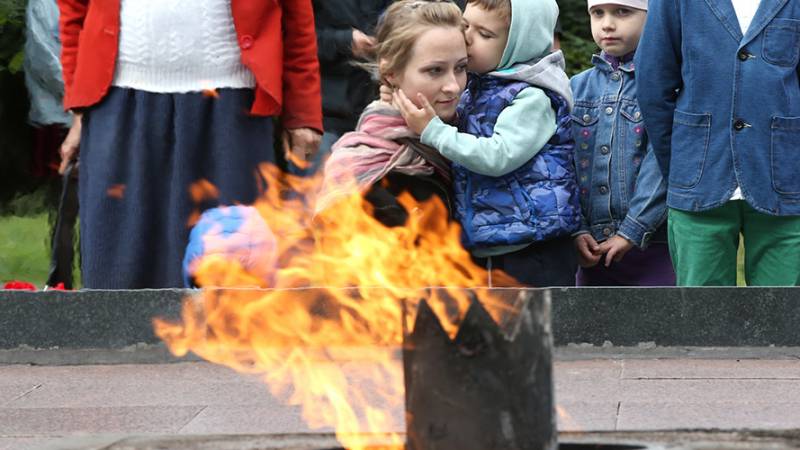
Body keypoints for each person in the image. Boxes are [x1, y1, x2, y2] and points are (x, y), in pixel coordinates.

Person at [57, 0, 323, 288]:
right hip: (119, 106)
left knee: (234, 264)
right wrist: (80, 108)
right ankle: (117, 335)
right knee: (117, 269)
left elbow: (297, 16)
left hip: (231, 113)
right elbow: (73, 11)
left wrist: (302, 112)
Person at [395, 0, 582, 287]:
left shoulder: (532, 97)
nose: (468, 38)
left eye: (485, 34)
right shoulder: (479, 85)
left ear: (519, 45)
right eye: (466, 26)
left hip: (533, 246)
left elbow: (498, 156)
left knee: (542, 330)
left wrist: (433, 131)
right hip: (490, 240)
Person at [636, 0, 800, 286]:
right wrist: (679, 166)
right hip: (699, 174)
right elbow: (654, 81)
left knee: (785, 317)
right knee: (704, 318)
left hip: (786, 178)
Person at [316, 0, 466, 227]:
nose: (453, 86)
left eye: (461, 67)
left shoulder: (484, 136)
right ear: (391, 72)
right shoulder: (362, 170)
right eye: (435, 70)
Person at [569, 0, 674, 286]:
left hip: (653, 245)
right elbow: (562, 165)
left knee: (657, 328)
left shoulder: (666, 84)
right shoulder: (574, 88)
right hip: (591, 249)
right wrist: (577, 230)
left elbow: (663, 164)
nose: (607, 24)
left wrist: (632, 229)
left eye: (622, 12)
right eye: (597, 13)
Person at [306, 0, 393, 175]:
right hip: (325, 114)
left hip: (381, 113)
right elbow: (292, 39)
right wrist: (344, 41)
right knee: (318, 189)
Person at [24, 0, 72, 178]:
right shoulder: (43, 4)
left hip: (90, 108)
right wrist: (79, 94)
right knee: (58, 180)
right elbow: (44, 61)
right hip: (55, 115)